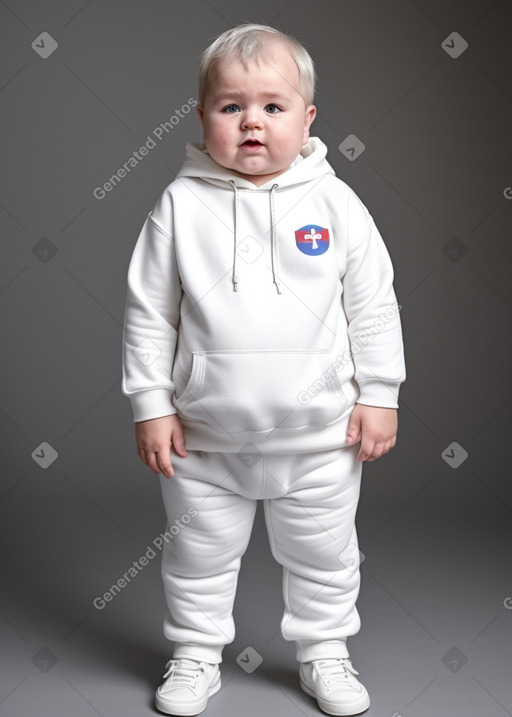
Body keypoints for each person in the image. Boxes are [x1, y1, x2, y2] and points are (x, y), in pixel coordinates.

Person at [121, 22, 406, 717]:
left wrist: (381, 392)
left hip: (321, 437)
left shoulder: (336, 205)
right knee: (197, 558)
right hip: (204, 440)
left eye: (273, 107)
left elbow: (371, 303)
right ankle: (194, 653)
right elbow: (148, 312)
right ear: (202, 117)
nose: (252, 121)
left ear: (307, 118)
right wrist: (151, 404)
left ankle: (325, 652)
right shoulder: (180, 206)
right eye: (231, 106)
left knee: (326, 557)